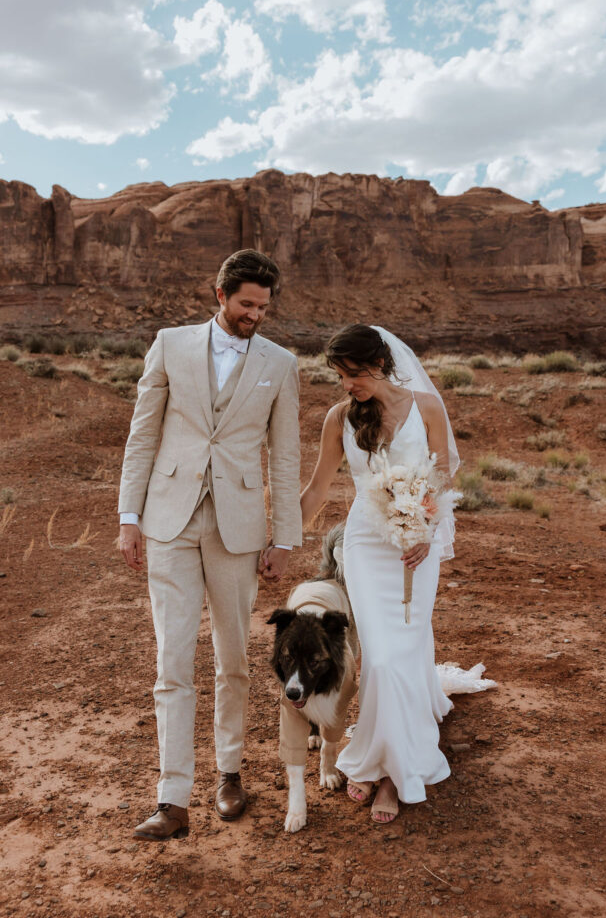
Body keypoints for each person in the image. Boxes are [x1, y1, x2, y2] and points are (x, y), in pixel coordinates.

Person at [118, 249, 302, 841]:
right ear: (220, 295)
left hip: (239, 528)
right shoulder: (169, 344)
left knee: (233, 658)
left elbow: (285, 454)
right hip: (167, 521)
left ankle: (229, 773)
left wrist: (285, 537)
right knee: (172, 660)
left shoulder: (281, 363)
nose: (255, 315)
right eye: (247, 304)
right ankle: (171, 799)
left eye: (263, 307)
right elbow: (143, 432)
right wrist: (129, 516)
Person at [300, 323, 459, 823]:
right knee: (381, 656)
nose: (347, 385)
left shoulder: (427, 408)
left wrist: (426, 529)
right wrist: (280, 538)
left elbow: (445, 474)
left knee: (404, 650)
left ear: (380, 365)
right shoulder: (339, 418)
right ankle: (374, 754)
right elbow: (319, 485)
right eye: (340, 376)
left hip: (416, 546)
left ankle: (392, 773)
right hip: (366, 544)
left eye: (354, 374)